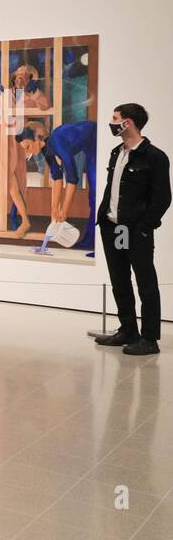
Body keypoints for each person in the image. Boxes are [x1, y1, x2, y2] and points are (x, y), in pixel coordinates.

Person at [95, 103, 170, 355]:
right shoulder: (118, 152)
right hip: (115, 229)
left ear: (127, 123)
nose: (112, 122)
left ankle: (149, 338)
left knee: (145, 281)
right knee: (119, 279)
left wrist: (144, 228)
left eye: (115, 118)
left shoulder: (154, 156)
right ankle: (128, 329)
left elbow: (163, 198)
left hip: (135, 230)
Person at [39, 119, 98, 249]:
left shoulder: (57, 140)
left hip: (95, 137)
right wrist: (54, 208)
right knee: (93, 197)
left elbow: (72, 177)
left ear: (36, 139)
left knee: (94, 194)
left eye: (28, 147)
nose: (28, 153)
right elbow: (56, 177)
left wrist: (64, 211)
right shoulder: (44, 147)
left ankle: (92, 241)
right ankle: (90, 240)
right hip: (87, 144)